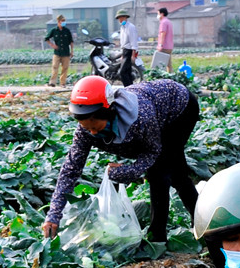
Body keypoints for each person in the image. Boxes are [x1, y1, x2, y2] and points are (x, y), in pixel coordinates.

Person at [42, 76, 200, 247]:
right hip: (156, 110)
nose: (92, 133)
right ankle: (201, 219)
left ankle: (158, 237)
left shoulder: (140, 119)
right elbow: (71, 169)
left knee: (161, 172)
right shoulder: (85, 131)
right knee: (177, 172)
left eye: (96, 127)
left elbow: (153, 151)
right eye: (87, 128)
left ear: (109, 113)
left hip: (179, 107)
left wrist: (129, 172)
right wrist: (54, 214)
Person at [44, 14, 74, 87]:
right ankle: (52, 82)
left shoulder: (67, 31)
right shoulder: (54, 30)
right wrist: (52, 45)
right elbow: (46, 38)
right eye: (62, 21)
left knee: (65, 68)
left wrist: (72, 51)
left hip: (66, 52)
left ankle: (62, 83)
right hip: (57, 52)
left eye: (64, 21)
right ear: (58, 21)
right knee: (55, 67)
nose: (64, 22)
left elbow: (71, 42)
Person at [115, 10, 140, 86]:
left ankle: (128, 88)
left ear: (125, 17)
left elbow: (133, 41)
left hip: (129, 51)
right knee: (127, 71)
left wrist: (133, 54)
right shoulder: (122, 27)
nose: (119, 20)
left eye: (121, 17)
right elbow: (123, 42)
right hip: (125, 51)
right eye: (119, 18)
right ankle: (131, 87)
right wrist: (122, 54)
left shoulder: (131, 27)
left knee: (123, 72)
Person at [151, 7, 174, 72]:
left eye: (158, 13)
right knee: (168, 64)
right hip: (169, 46)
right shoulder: (168, 22)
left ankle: (163, 77)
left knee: (160, 64)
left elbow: (162, 34)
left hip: (164, 46)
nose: (157, 15)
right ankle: (171, 76)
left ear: (162, 14)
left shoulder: (163, 22)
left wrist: (160, 45)